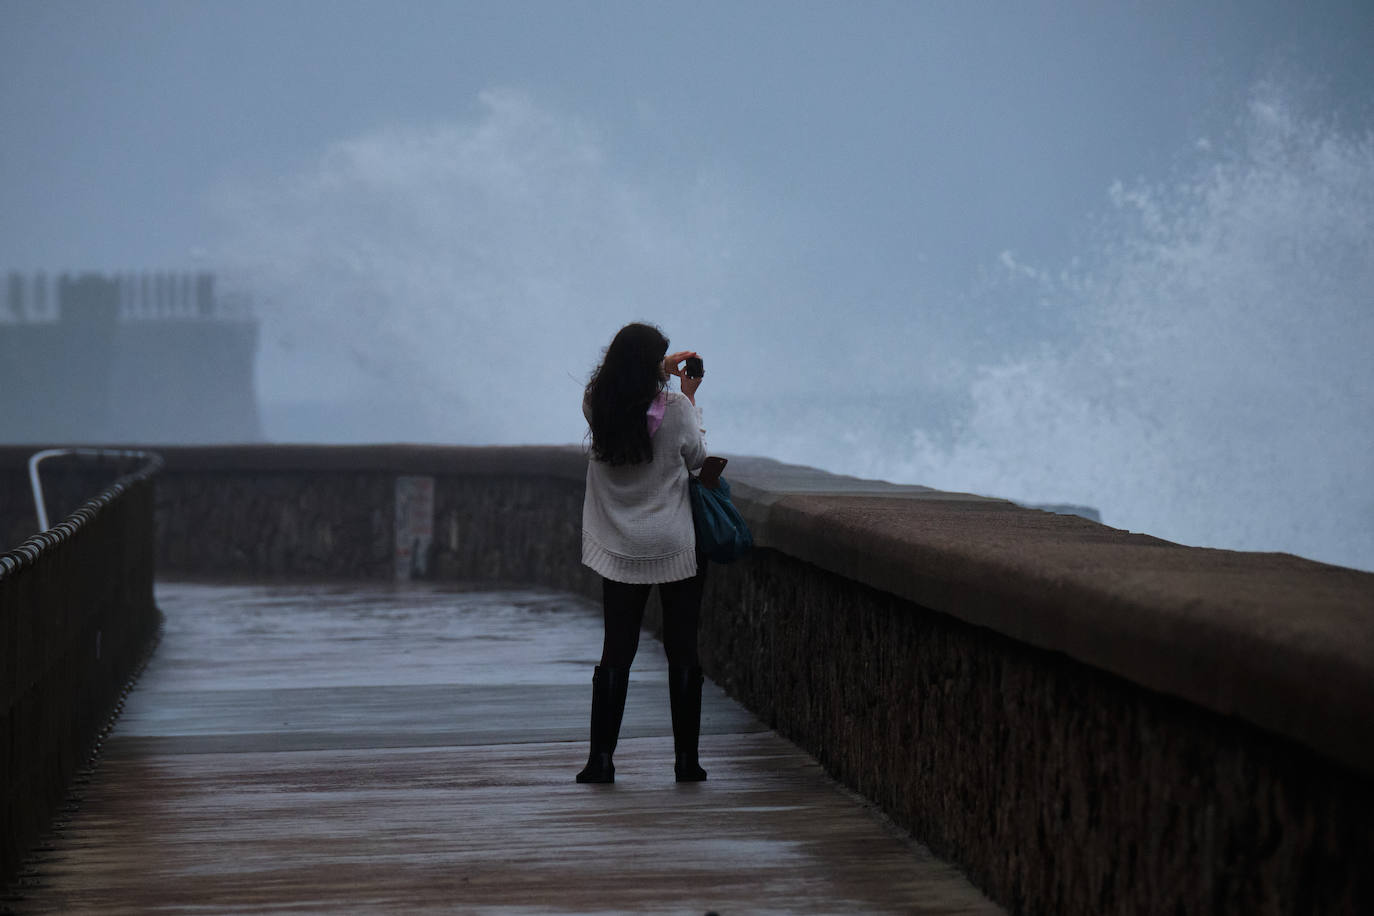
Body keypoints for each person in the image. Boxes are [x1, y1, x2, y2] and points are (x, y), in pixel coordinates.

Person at [576, 322, 709, 784]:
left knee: (617, 648)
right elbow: (698, 461)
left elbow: (611, 386)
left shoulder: (598, 404)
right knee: (682, 647)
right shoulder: (676, 409)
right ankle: (687, 762)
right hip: (675, 543)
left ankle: (601, 760)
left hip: (619, 548)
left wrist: (654, 368)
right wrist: (687, 394)